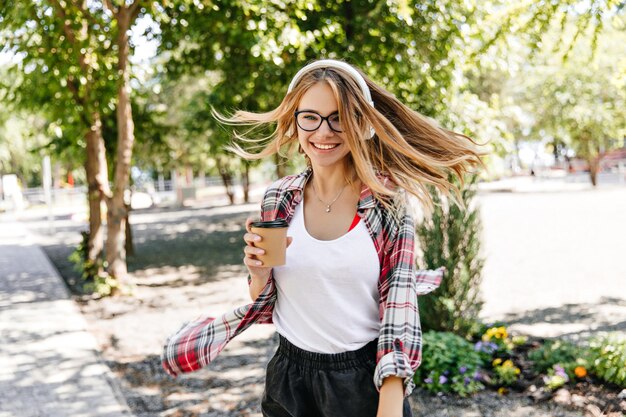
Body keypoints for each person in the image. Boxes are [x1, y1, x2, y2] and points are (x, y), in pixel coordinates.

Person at [162, 59, 485, 417]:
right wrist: (258, 274)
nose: (323, 131)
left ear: (360, 123)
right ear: (295, 121)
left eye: (338, 118)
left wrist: (389, 405)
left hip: (363, 383)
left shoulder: (386, 203)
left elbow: (400, 309)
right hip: (290, 378)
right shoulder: (279, 198)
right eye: (310, 117)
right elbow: (267, 302)